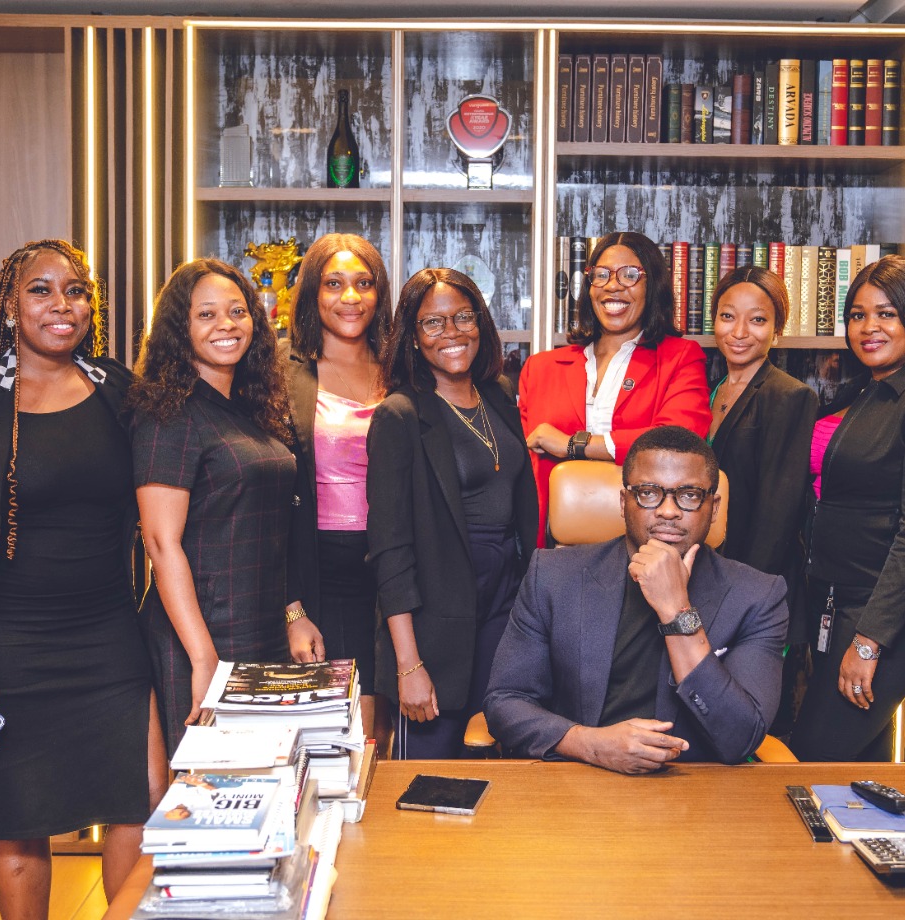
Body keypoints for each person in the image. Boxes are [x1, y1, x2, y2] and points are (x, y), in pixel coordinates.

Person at [0, 239, 154, 915]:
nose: (61, 304)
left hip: (110, 639)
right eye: (41, 290)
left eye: (75, 291)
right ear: (9, 306)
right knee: (19, 819)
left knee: (137, 802)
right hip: (9, 645)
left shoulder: (118, 390)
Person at [485, 426, 787, 774]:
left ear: (714, 507)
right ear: (623, 502)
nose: (668, 511)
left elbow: (740, 738)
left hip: (695, 789)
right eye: (648, 493)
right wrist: (591, 745)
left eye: (689, 495)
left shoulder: (758, 596)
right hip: (578, 778)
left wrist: (677, 611)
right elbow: (505, 702)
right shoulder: (553, 576)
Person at [789, 255, 905, 762]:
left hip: (884, 612)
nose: (869, 327)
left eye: (887, 314)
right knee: (852, 764)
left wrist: (869, 641)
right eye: (858, 315)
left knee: (817, 756)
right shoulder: (869, 391)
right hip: (838, 598)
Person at [131, 259, 316, 755]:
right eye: (206, 314)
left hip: (263, 628)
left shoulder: (251, 408)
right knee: (207, 786)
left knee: (266, 781)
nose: (226, 325)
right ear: (180, 328)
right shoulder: (169, 413)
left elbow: (268, 529)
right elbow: (160, 543)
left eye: (237, 311)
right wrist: (202, 656)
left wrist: (292, 612)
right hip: (201, 636)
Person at [366, 268, 538, 758]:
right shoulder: (399, 415)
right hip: (434, 625)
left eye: (463, 317)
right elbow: (390, 550)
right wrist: (408, 665)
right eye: (433, 323)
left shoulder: (498, 394)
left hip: (504, 606)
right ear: (412, 337)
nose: (452, 332)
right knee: (428, 778)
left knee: (499, 765)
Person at [518, 231, 711, 546]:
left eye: (630, 275)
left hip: (649, 547)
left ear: (653, 285)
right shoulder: (541, 369)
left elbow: (677, 443)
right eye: (601, 275)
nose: (613, 285)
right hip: (554, 550)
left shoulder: (680, 358)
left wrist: (572, 445)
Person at [284, 233, 393, 693]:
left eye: (364, 283)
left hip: (395, 568)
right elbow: (265, 503)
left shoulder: (403, 370)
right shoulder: (281, 371)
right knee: (345, 716)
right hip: (321, 573)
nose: (351, 297)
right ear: (313, 293)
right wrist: (293, 610)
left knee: (399, 715)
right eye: (334, 284)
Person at [707, 265, 818, 604]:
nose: (739, 332)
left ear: (777, 330)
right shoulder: (710, 391)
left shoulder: (790, 396)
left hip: (755, 581)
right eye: (728, 316)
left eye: (757, 320)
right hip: (707, 567)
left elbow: (778, 514)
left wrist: (745, 595)